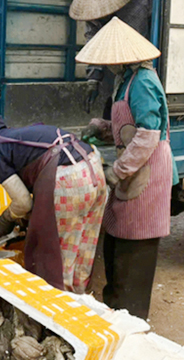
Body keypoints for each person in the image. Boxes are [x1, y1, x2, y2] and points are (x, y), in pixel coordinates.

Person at [76, 17, 177, 319]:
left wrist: (116, 171)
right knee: (117, 243)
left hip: (146, 175)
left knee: (135, 252)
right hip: (133, 172)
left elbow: (147, 136)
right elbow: (128, 127)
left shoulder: (143, 82)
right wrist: (103, 128)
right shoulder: (125, 80)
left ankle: (132, 318)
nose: (107, 66)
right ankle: (116, 309)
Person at [0, 105, 107, 294]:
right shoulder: (17, 136)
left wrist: (6, 218)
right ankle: (83, 303)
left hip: (70, 180)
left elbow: (23, 202)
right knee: (84, 249)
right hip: (94, 167)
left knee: (60, 260)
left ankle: (60, 313)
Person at [69, 0, 153, 115]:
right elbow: (93, 44)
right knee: (114, 108)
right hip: (117, 72)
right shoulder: (93, 17)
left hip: (143, 65)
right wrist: (93, 81)